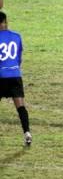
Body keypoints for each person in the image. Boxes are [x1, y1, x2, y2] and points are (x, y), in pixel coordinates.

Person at [0, 12, 32, 145]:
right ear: (6, 22)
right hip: (15, 75)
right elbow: (19, 58)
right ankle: (27, 133)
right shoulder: (17, 36)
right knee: (21, 107)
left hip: (0, 76)